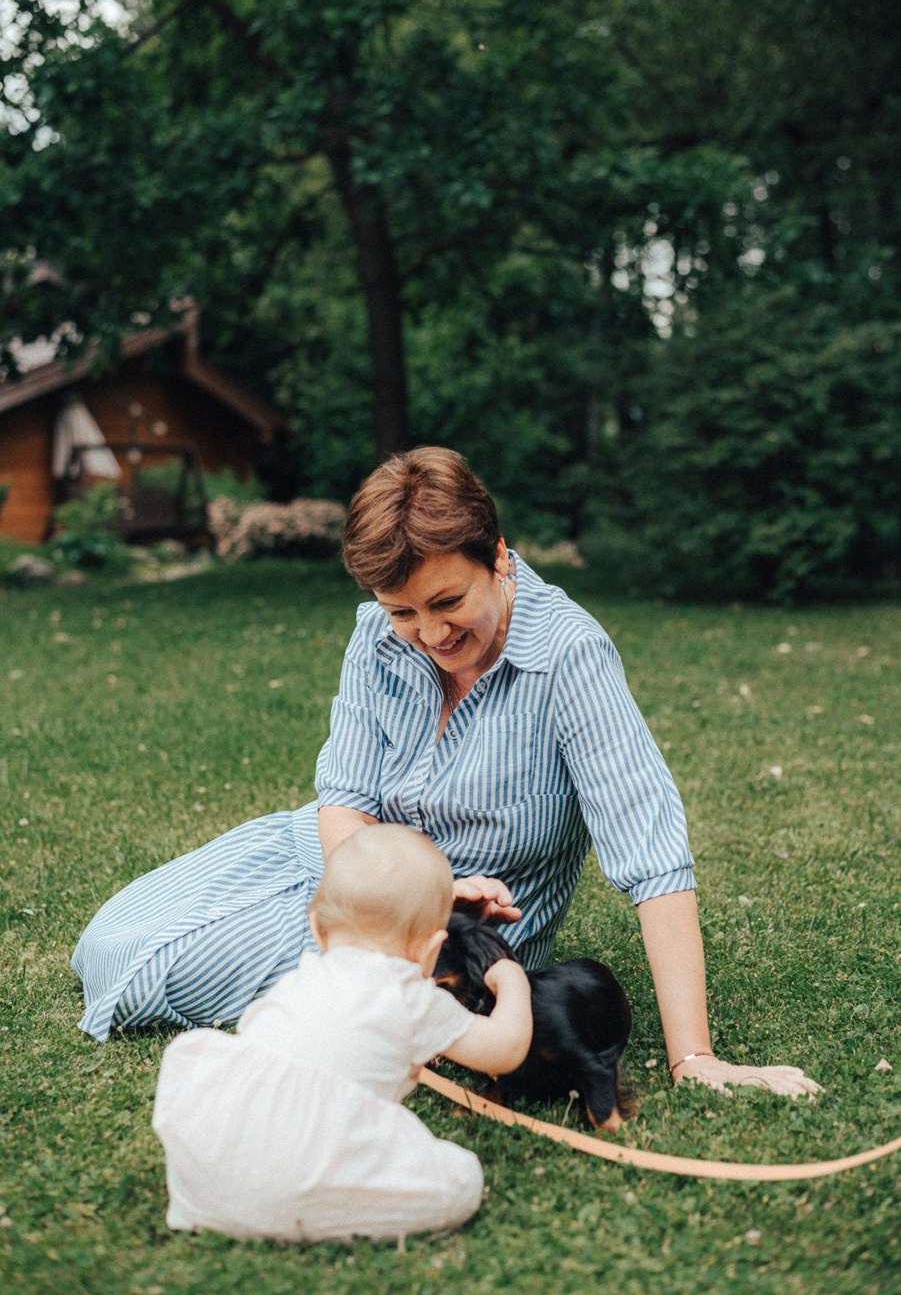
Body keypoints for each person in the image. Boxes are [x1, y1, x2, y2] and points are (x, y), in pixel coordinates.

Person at [73, 446, 820, 1100]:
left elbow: (653, 857)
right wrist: (370, 891)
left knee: (152, 979)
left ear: (496, 555)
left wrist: (695, 1056)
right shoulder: (375, 637)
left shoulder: (568, 657)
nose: (430, 635)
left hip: (454, 937)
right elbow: (344, 803)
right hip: (336, 865)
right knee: (108, 942)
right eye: (402, 611)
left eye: (448, 601)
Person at [152, 823, 533, 1243]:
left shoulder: (300, 980)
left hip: (211, 1168)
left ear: (317, 929)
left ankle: (229, 1200)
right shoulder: (410, 997)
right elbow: (506, 1051)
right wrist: (511, 976)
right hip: (308, 1175)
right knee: (460, 1180)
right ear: (429, 950)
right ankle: (305, 1207)